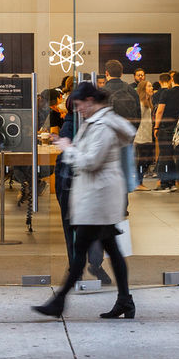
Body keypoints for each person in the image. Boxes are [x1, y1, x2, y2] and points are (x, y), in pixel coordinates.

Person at [34, 83, 135, 319]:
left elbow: (90, 161)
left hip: (98, 197)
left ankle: (59, 302)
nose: (77, 110)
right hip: (98, 195)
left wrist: (67, 147)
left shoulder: (103, 126)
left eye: (79, 105)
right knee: (111, 250)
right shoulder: (97, 122)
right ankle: (125, 301)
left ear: (90, 100)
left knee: (80, 251)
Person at [53, 90, 113, 286]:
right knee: (96, 230)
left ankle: (75, 268)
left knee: (71, 227)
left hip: (70, 182)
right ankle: (94, 265)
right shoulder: (96, 123)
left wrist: (67, 149)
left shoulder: (71, 125)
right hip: (89, 185)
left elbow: (71, 158)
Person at [102, 59, 141, 200]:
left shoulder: (102, 91)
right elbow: (138, 115)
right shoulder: (130, 90)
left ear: (106, 73)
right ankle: (123, 205)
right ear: (122, 73)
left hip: (108, 138)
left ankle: (109, 202)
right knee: (123, 170)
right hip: (126, 136)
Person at [133, 78, 154, 187]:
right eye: (149, 86)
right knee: (142, 160)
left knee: (147, 159)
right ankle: (138, 183)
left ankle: (139, 181)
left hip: (147, 135)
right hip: (141, 136)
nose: (152, 88)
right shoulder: (140, 104)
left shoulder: (148, 103)